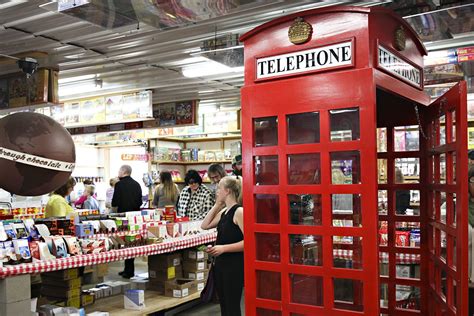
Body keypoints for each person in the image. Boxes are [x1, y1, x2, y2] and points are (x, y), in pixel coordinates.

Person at [201, 176, 244, 316]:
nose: (216, 190)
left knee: (232, 306)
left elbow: (249, 242)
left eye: (219, 187)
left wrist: (223, 248)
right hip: (220, 264)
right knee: (224, 305)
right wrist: (217, 205)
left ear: (227, 191)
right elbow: (205, 225)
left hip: (234, 265)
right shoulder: (224, 212)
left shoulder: (239, 212)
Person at [112, 165, 142, 279]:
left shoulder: (119, 185)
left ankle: (128, 270)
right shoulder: (137, 184)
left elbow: (115, 202)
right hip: (135, 218)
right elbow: (139, 202)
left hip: (122, 217)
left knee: (124, 242)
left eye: (119, 170)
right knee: (132, 243)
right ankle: (129, 269)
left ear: (123, 171)